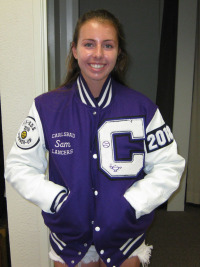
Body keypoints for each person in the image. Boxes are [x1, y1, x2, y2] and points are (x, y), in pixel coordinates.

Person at [5, 9, 185, 267]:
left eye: (108, 45)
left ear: (118, 52)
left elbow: (170, 165)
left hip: (125, 237)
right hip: (70, 240)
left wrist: (133, 204)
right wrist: (57, 201)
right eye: (89, 44)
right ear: (75, 50)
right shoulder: (47, 108)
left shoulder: (142, 108)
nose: (98, 54)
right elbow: (18, 166)